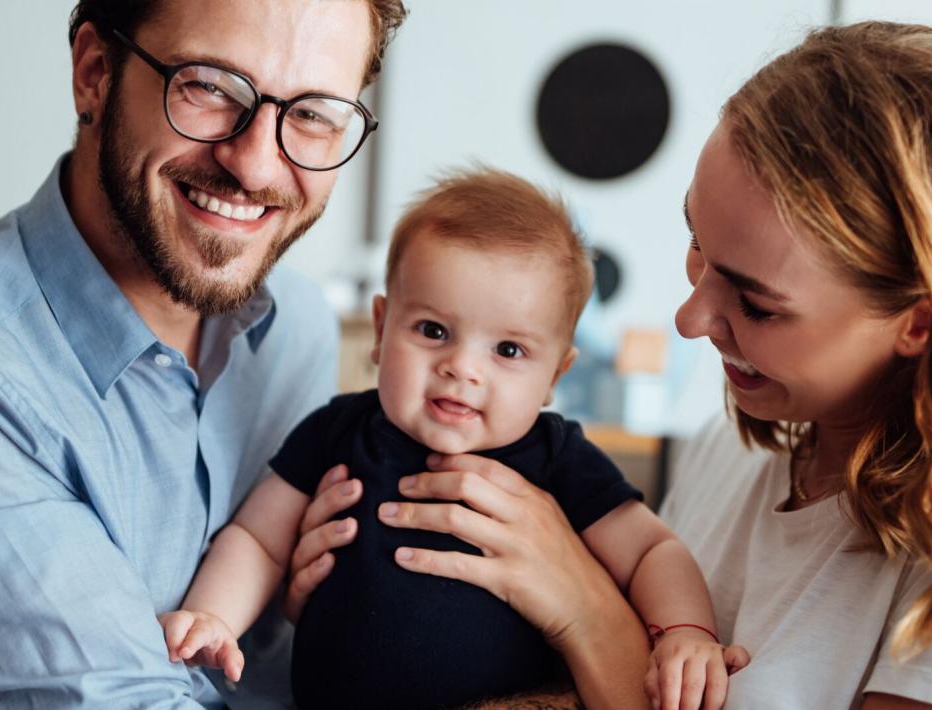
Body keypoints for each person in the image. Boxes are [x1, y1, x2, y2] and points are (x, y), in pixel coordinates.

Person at [283, 21, 932, 710]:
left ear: (918, 319)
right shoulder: (742, 449)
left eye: (755, 302)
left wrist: (585, 610)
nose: (690, 317)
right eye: (695, 247)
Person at [0, 1, 405, 707]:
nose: (255, 164)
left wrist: (569, 604)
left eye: (313, 113)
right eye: (210, 86)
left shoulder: (296, 326)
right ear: (94, 72)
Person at [155, 169, 745, 709]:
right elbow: (258, 539)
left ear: (554, 377)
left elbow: (651, 552)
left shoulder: (555, 457)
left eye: (508, 350)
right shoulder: (339, 430)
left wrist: (685, 633)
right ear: (382, 329)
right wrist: (212, 615)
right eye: (433, 331)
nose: (462, 367)